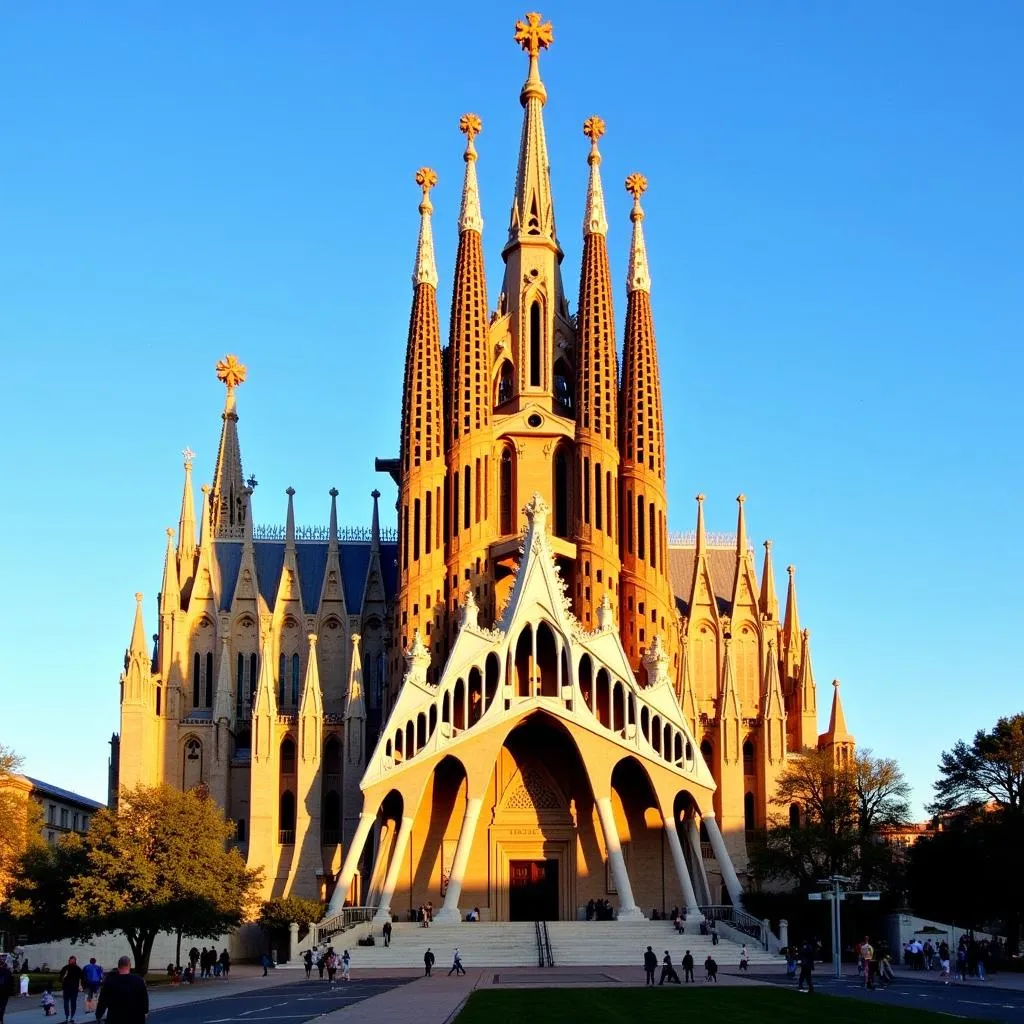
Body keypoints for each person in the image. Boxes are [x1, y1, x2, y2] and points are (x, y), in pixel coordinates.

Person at [95, 956, 148, 1024]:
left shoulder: (110, 981)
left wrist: (98, 1014)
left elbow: (103, 1000)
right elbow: (144, 998)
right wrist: (145, 1011)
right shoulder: (139, 980)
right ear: (129, 966)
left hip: (115, 1017)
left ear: (118, 966)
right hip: (135, 1017)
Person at [58, 955, 84, 1023]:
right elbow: (60, 978)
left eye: (72, 960)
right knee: (69, 1002)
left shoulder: (71, 968)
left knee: (70, 1002)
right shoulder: (74, 968)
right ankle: (69, 1016)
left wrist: (80, 986)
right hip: (70, 988)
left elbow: (81, 978)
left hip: (71, 988)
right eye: (71, 960)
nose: (71, 961)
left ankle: (69, 1016)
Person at [0, 957, 14, 1024]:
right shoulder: (8, 972)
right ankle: (1, 1019)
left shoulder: (7, 972)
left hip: (4, 992)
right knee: (3, 1006)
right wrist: (11, 992)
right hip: (5, 993)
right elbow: (11, 983)